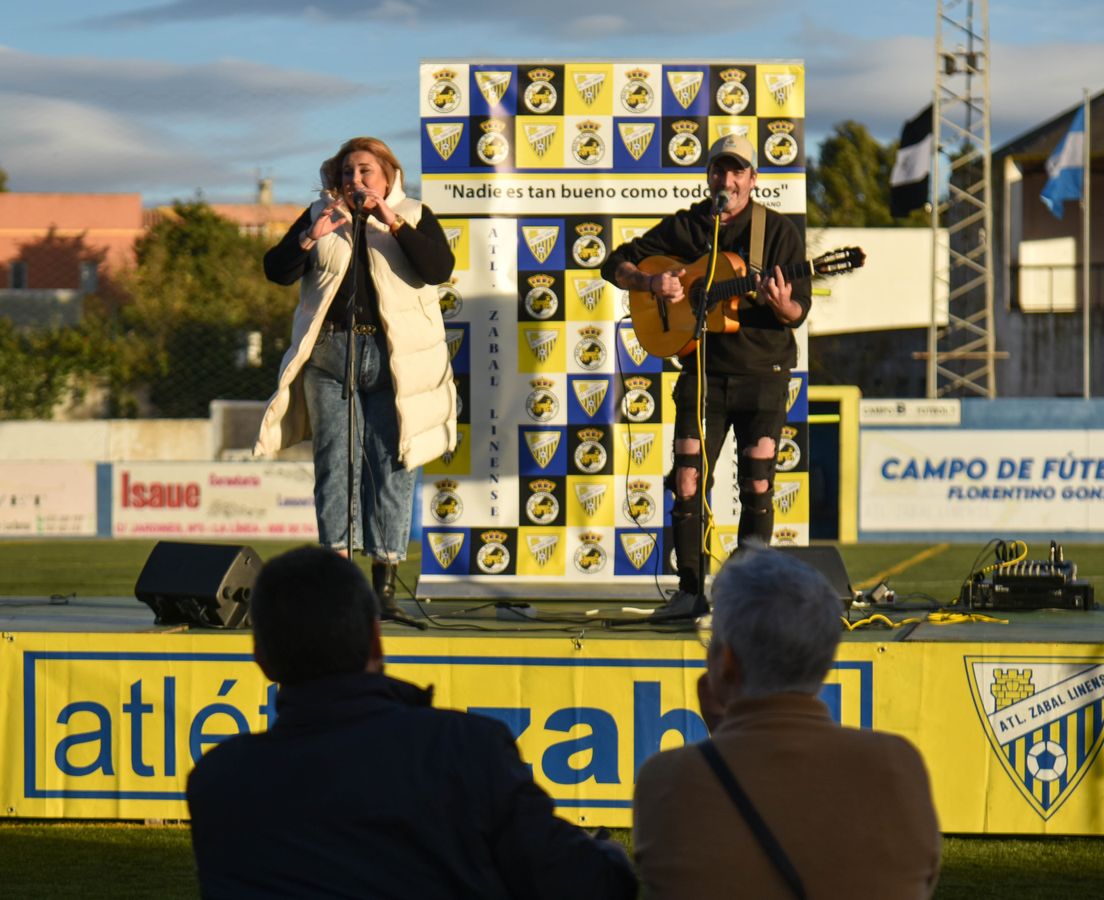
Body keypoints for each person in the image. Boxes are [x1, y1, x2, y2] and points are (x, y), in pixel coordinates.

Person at [186, 545, 638, 900]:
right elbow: (588, 885)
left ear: (260, 660)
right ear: (377, 641)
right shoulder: (464, 750)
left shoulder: (217, 783)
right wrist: (609, 853)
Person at [633, 544, 941, 899]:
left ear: (727, 662)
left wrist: (724, 739)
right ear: (824, 657)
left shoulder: (666, 780)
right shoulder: (897, 765)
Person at [601, 134, 809, 614]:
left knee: (757, 481)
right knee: (689, 478)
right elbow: (615, 262)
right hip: (701, 373)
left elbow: (798, 308)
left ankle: (750, 594)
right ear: (709, 176)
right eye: (720, 170)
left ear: (753, 180)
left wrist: (783, 305)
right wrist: (650, 281)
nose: (727, 180)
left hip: (763, 372)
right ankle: (690, 590)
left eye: (738, 171)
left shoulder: (776, 232)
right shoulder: (689, 226)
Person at [255, 137, 457, 616]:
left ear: (388, 176)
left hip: (394, 358)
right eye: (346, 172)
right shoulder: (320, 215)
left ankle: (384, 589)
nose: (355, 181)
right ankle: (339, 587)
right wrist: (310, 236)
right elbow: (276, 271)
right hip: (331, 354)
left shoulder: (413, 213)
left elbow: (438, 268)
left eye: (365, 171)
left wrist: (392, 220)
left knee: (392, 464)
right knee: (335, 465)